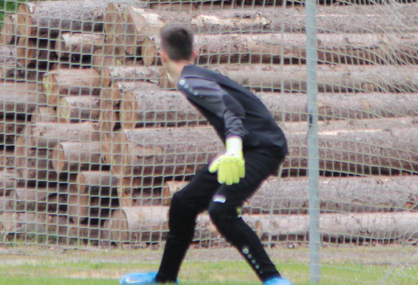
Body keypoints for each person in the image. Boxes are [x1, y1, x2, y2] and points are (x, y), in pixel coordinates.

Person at [120, 25, 292, 285]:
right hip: (249, 146)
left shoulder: (189, 80)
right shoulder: (198, 75)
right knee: (183, 203)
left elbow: (232, 109)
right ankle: (165, 279)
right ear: (195, 53)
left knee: (221, 209)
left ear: (162, 54)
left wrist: (234, 151)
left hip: (263, 149)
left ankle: (273, 280)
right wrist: (232, 150)